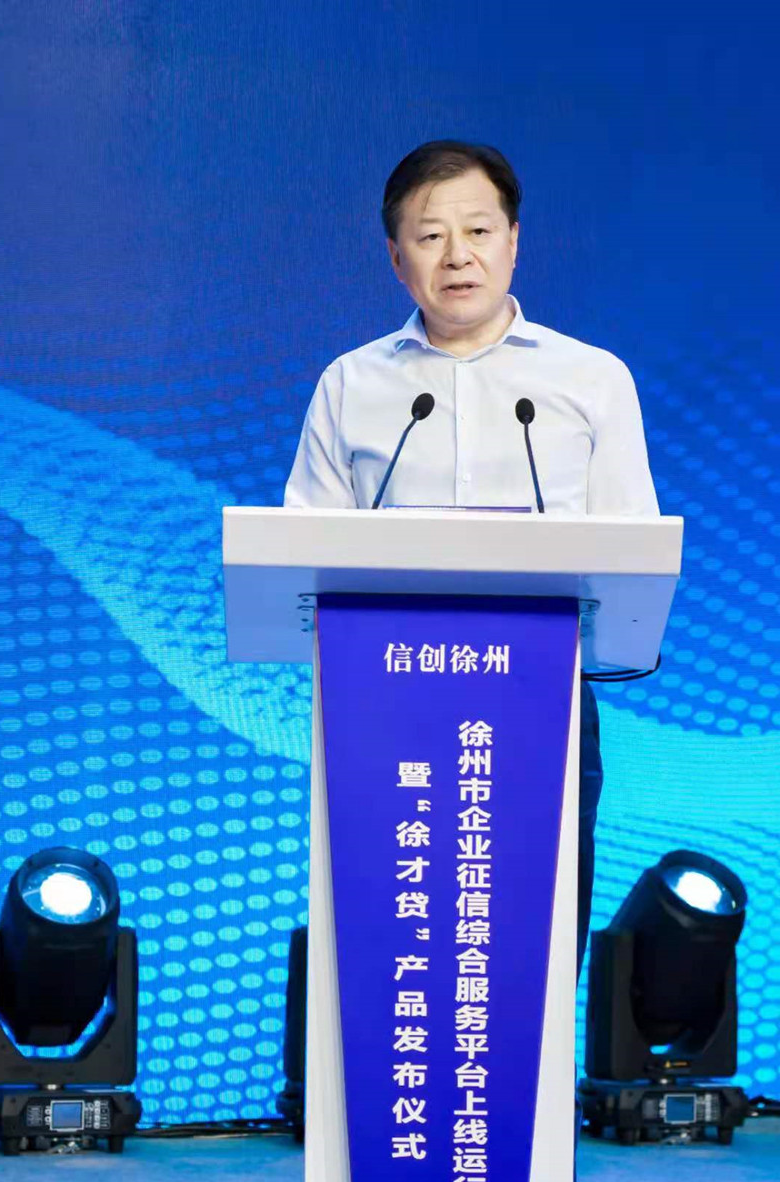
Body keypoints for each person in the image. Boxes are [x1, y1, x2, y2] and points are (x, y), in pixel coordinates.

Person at [285, 139, 658, 978]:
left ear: (514, 241)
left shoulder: (592, 381)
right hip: (382, 704)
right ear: (396, 257)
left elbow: (632, 554)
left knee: (531, 949)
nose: (458, 256)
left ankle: (530, 1074)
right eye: (430, 236)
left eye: (479, 231)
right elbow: (300, 557)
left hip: (546, 702)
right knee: (391, 947)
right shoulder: (350, 385)